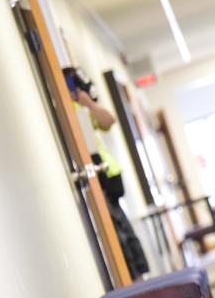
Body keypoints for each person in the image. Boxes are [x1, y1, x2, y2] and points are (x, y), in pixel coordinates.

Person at [63, 66, 150, 281]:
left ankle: (144, 286)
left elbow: (109, 120)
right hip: (97, 181)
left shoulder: (83, 109)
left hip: (109, 177)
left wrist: (88, 103)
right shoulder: (67, 110)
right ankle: (138, 290)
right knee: (120, 241)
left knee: (128, 236)